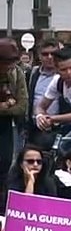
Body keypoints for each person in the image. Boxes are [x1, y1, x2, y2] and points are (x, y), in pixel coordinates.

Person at [0, 40, 29, 197]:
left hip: (5, 127)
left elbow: (22, 106)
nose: (10, 67)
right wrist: (7, 105)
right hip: (6, 121)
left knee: (5, 164)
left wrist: (5, 107)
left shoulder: (17, 73)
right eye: (6, 63)